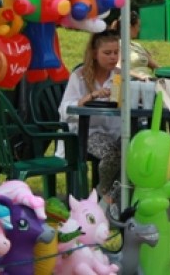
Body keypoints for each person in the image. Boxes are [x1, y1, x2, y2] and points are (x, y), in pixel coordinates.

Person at [59, 29, 123, 211]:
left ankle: (108, 198)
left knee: (133, 154)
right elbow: (65, 110)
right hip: (86, 132)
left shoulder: (120, 76)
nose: (113, 57)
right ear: (95, 54)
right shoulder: (79, 76)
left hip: (114, 131)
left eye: (116, 52)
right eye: (107, 53)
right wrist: (89, 97)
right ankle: (103, 195)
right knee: (112, 154)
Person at [111, 8, 160, 80]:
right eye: (138, 26)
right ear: (129, 26)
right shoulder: (118, 45)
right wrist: (139, 76)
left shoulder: (137, 46)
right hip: (131, 82)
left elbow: (155, 66)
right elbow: (118, 68)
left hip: (147, 81)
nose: (139, 30)